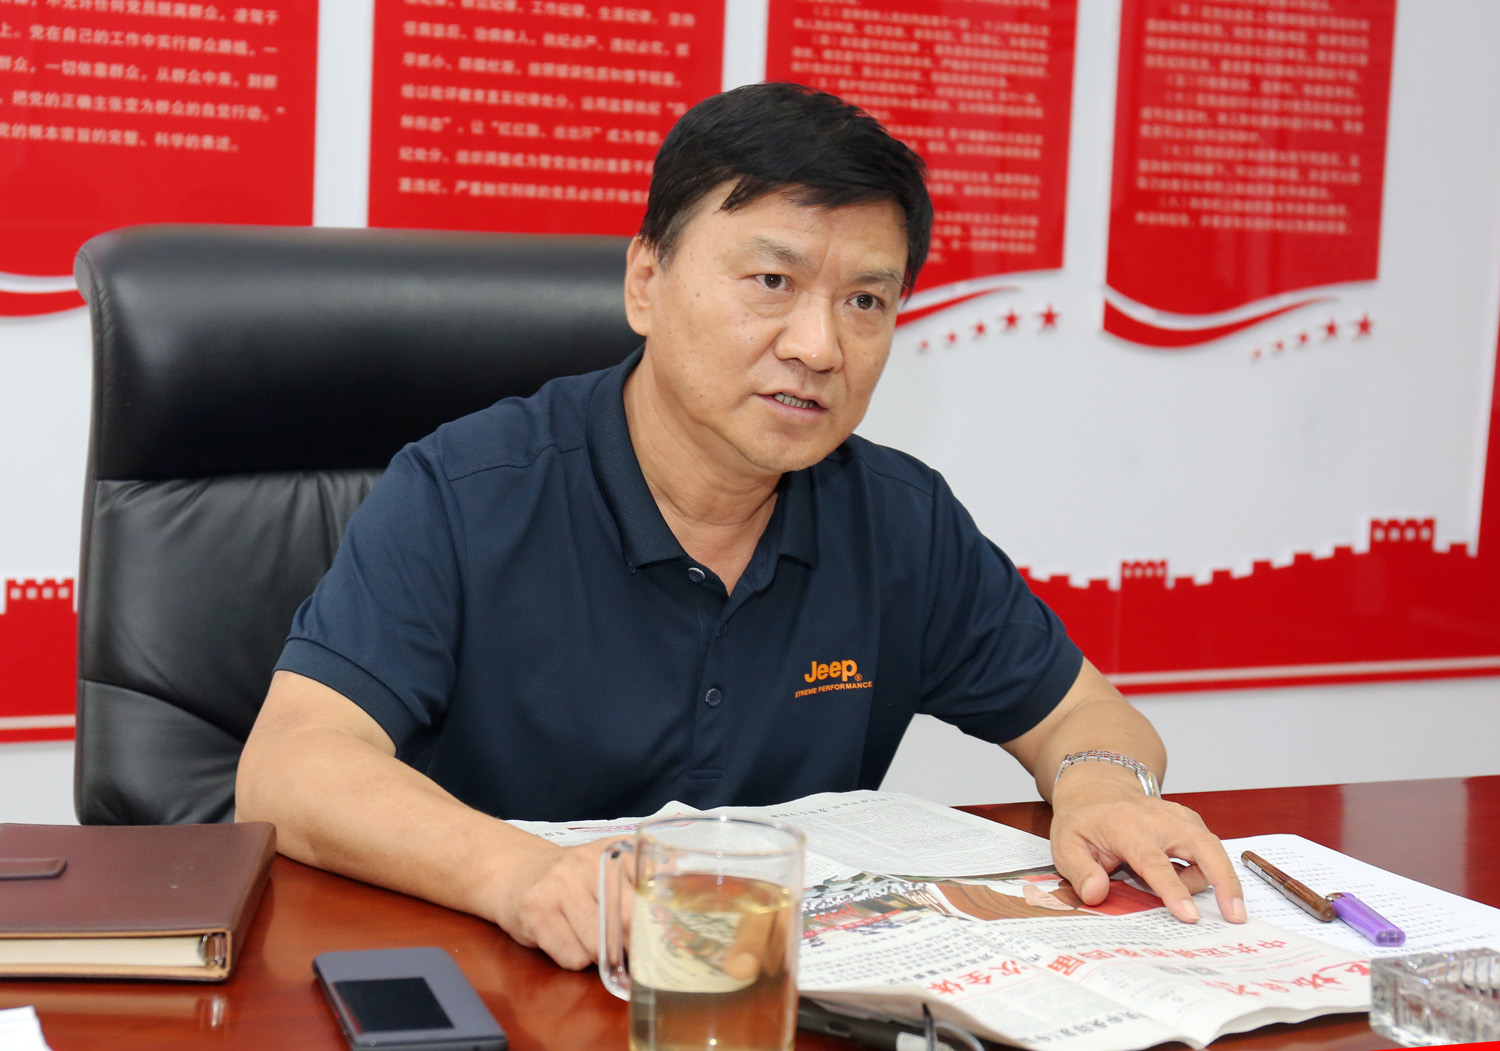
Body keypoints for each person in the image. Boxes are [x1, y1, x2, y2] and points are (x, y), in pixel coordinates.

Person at [236, 82, 1245, 971]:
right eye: (772, 282)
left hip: (775, 995)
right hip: (511, 978)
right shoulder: (466, 490)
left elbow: (1089, 716)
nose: (818, 345)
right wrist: (521, 874)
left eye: (866, 300)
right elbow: (290, 768)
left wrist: (1100, 787)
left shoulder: (899, 518)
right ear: (646, 282)